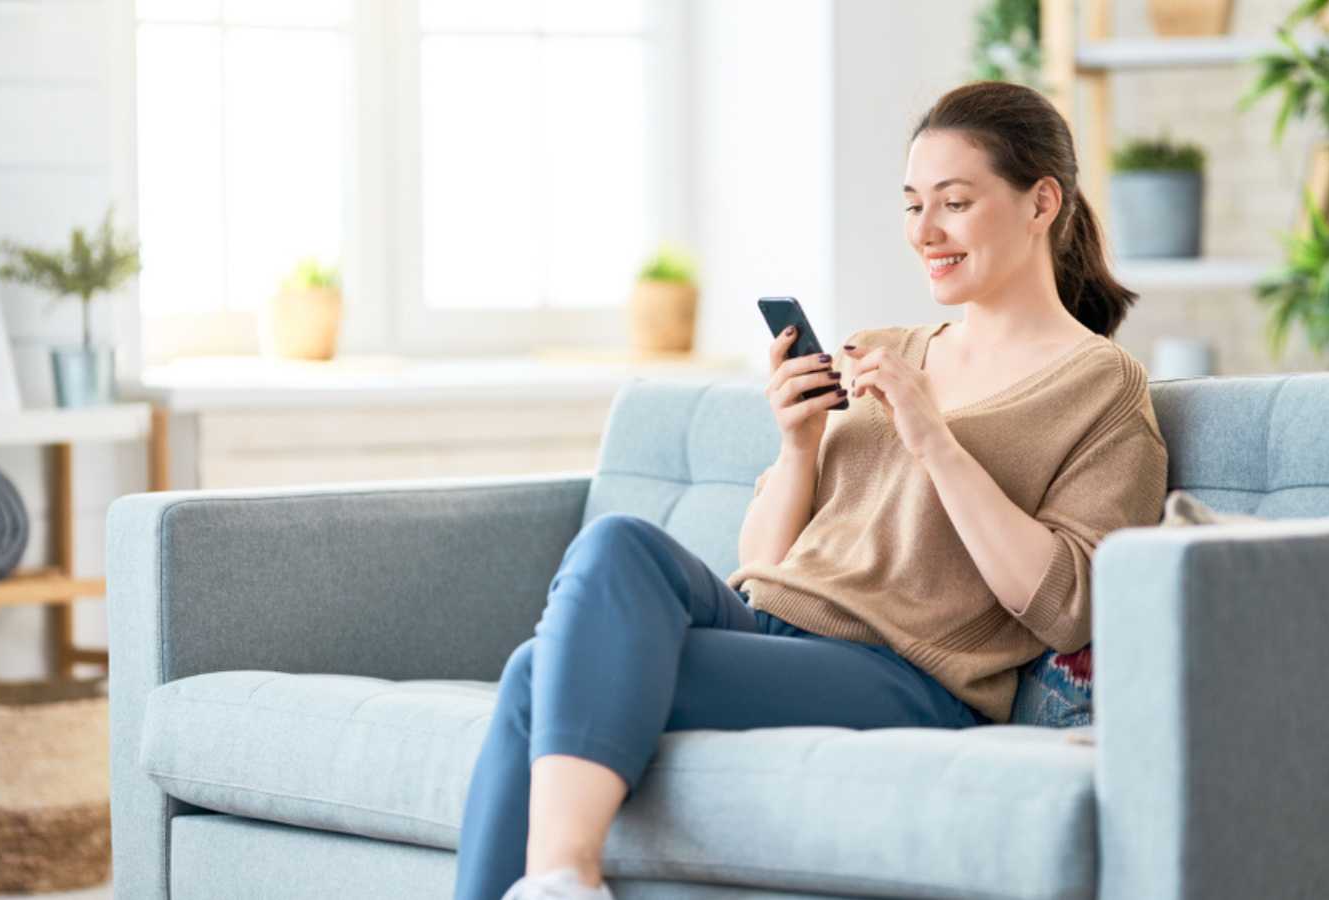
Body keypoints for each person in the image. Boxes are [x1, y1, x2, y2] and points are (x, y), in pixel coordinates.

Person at [453, 79, 1170, 900]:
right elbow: (762, 566)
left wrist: (932, 437)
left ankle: (562, 877)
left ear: (1042, 202)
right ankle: (561, 879)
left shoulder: (1103, 390)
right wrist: (798, 445)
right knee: (616, 545)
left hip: (908, 677)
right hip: (773, 625)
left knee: (537, 671)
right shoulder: (885, 349)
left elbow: (1064, 605)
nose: (925, 232)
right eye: (911, 206)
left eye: (955, 203)